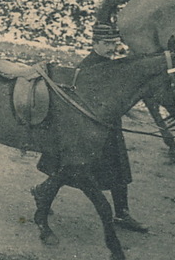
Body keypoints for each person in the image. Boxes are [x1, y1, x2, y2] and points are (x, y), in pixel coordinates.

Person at [31, 21, 148, 233]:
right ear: (95, 44)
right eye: (106, 44)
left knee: (116, 169)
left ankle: (122, 212)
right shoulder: (87, 68)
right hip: (91, 129)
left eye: (114, 43)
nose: (112, 48)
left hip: (109, 126)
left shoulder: (110, 64)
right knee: (74, 169)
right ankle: (43, 192)